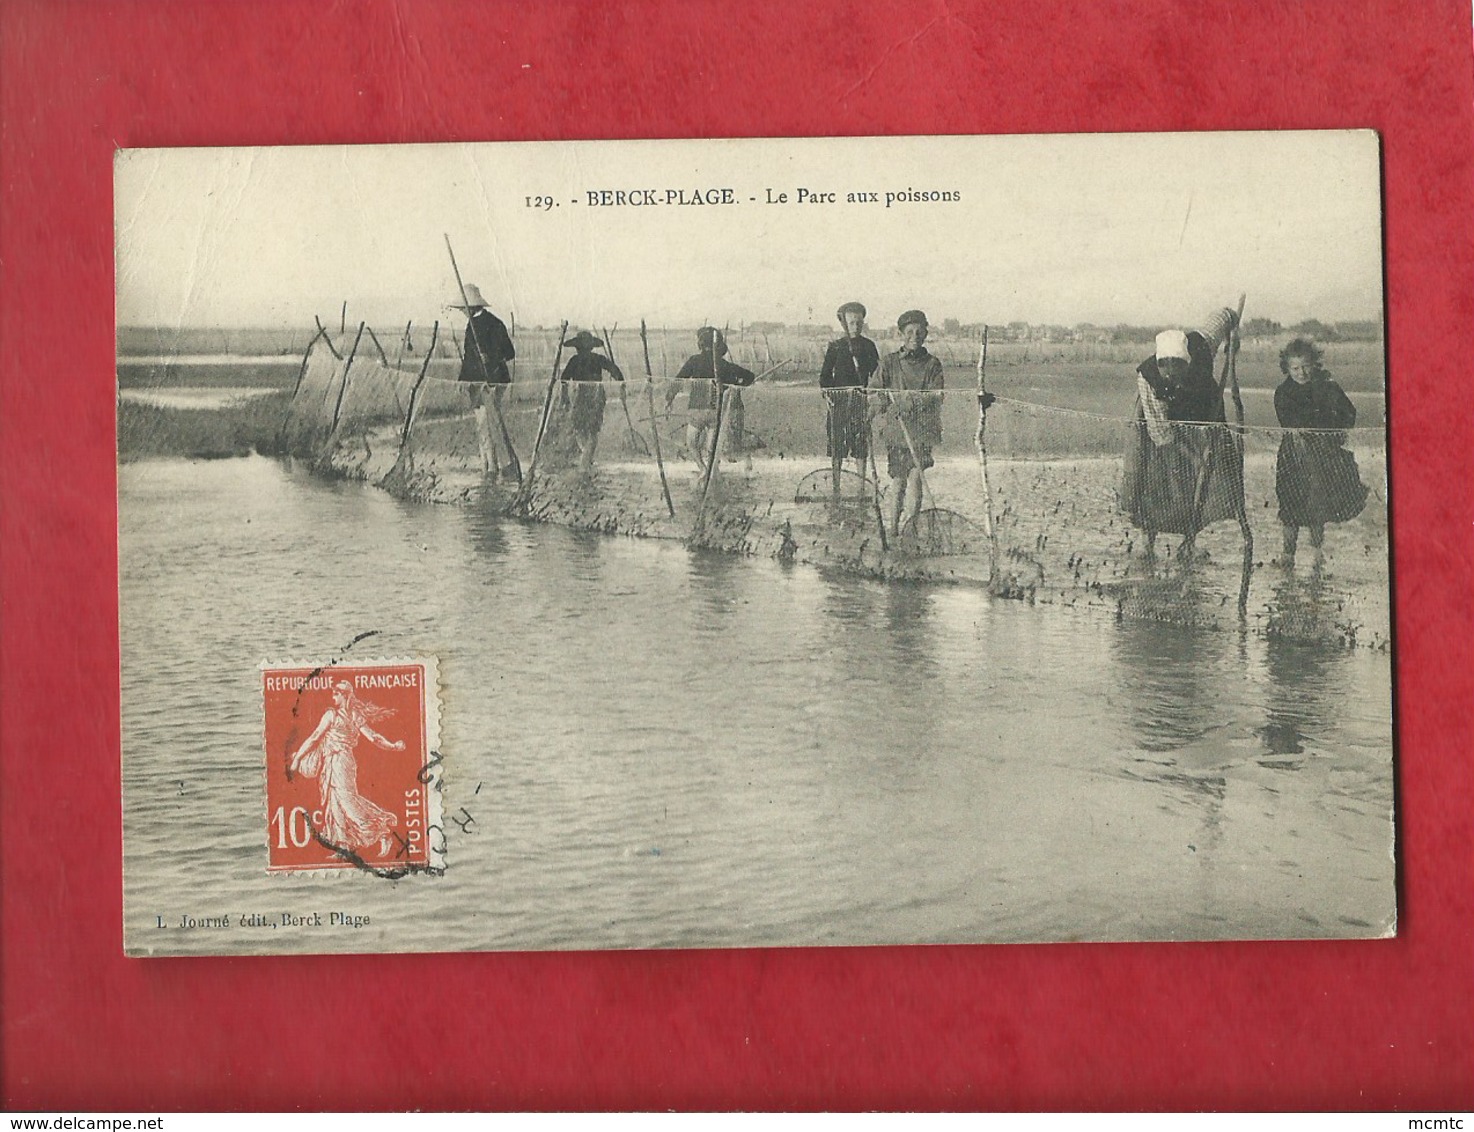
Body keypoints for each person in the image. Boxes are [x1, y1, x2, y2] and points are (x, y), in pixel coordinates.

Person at [1120, 306, 1243, 559]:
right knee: (1158, 483)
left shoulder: (1201, 346)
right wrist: (1192, 456)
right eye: (1166, 370)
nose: (1171, 376)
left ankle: (1189, 543)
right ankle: (1147, 543)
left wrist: (1233, 323)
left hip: (1201, 418)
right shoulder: (1149, 378)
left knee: (1201, 485)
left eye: (1178, 370)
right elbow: (1161, 433)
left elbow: (1219, 320)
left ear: (1188, 362)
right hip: (1161, 430)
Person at [1272, 337, 1369, 566]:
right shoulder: (1283, 392)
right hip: (1293, 456)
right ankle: (1288, 554)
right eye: (1295, 368)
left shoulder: (1328, 387)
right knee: (1290, 505)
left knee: (1318, 503)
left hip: (1325, 454)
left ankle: (1317, 554)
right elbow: (1290, 421)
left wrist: (1336, 428)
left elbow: (1349, 413)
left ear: (1315, 364)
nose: (1301, 372)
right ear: (1287, 368)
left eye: (1306, 366)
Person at [288, 681, 404, 859]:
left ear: (345, 695)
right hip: (332, 761)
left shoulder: (337, 715)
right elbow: (315, 738)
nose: (333, 697)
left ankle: (382, 831)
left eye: (336, 694)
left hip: (342, 762)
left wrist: (297, 758)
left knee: (347, 801)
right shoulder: (342, 714)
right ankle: (343, 846)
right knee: (333, 802)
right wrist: (393, 746)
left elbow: (315, 738)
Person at [869, 309, 944, 538]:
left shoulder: (932, 364)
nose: (915, 336)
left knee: (916, 477)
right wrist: (878, 407)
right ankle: (893, 529)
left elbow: (937, 394)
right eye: (909, 332)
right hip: (897, 430)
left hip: (921, 429)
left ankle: (910, 529)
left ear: (926, 334)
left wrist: (909, 401)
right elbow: (875, 390)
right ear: (901, 334)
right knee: (899, 480)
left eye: (919, 332)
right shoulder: (889, 362)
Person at [664, 327, 755, 469]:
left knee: (692, 443)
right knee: (711, 449)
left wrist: (669, 399)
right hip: (716, 412)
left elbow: (679, 380)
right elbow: (749, 376)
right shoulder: (724, 365)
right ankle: (712, 471)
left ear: (700, 344)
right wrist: (737, 385)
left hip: (697, 411)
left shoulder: (694, 361)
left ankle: (702, 469)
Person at [454, 283, 516, 479]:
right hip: (482, 381)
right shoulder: (478, 325)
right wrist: (462, 380)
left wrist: (490, 357)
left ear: (470, 307)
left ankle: (490, 468)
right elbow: (469, 358)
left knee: (486, 423)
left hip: (490, 380)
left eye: (463, 308)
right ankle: (489, 465)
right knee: (486, 422)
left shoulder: (490, 324)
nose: (462, 311)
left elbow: (508, 353)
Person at [819, 301, 880, 499]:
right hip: (838, 403)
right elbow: (825, 377)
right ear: (844, 323)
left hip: (860, 402)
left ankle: (861, 486)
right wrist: (827, 395)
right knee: (837, 447)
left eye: (858, 323)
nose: (855, 326)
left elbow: (877, 375)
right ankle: (836, 486)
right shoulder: (836, 347)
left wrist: (872, 395)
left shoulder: (869, 347)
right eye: (851, 322)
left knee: (861, 446)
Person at [557, 329, 625, 474]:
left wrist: (564, 397)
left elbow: (563, 379)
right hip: (593, 395)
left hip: (587, 395)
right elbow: (615, 370)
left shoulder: (575, 360)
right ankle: (587, 456)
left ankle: (586, 457)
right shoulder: (597, 359)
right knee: (591, 428)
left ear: (577, 347)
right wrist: (621, 382)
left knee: (580, 426)